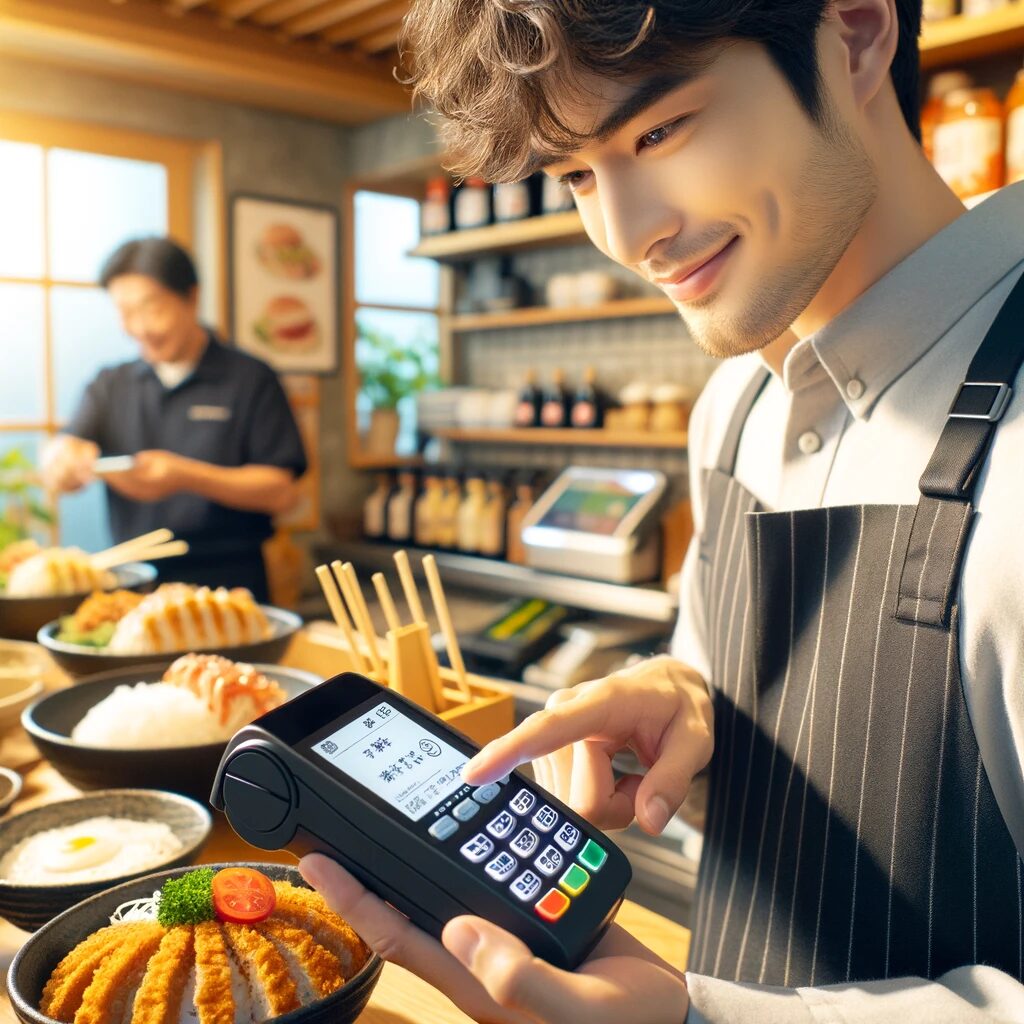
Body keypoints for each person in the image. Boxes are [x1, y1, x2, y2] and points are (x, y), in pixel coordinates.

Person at [298, 2, 1024, 1022]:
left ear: (854, 36)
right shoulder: (734, 404)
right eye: (578, 175)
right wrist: (691, 710)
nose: (629, 235)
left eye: (658, 131)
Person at [42, 237, 307, 601]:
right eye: (125, 312)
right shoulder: (111, 383)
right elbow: (67, 446)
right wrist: (61, 460)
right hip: (134, 585)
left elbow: (282, 493)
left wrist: (185, 476)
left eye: (151, 308)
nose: (139, 327)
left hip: (230, 585)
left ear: (192, 298)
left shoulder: (250, 378)